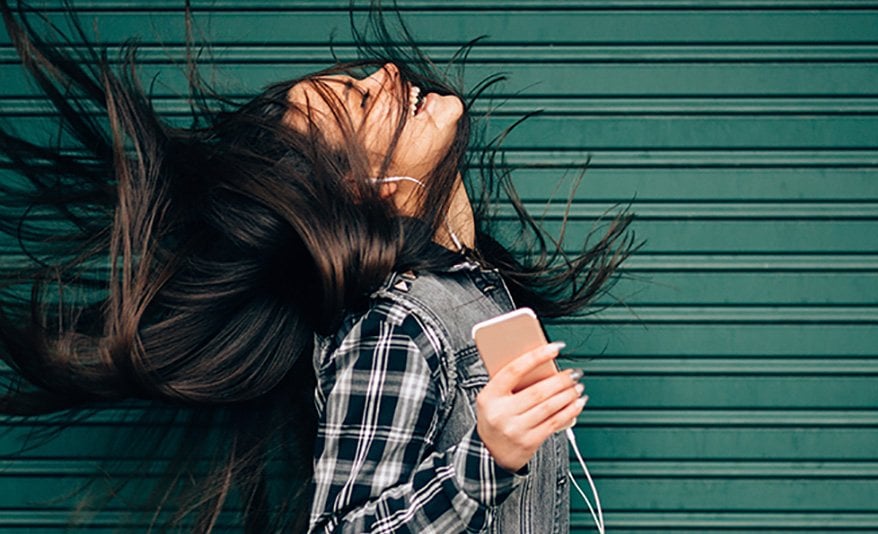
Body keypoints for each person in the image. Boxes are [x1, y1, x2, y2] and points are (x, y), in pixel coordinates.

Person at [0, 1, 638, 532]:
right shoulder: (394, 326)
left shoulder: (469, 289)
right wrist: (486, 460)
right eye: (362, 103)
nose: (387, 73)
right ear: (363, 189)